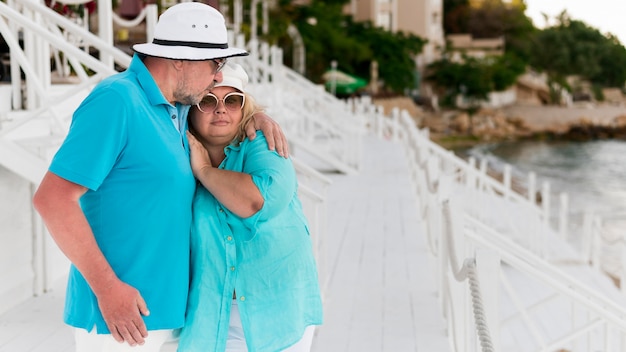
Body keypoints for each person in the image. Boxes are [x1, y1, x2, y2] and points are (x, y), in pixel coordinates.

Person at [32, 3, 288, 351]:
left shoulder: (178, 110)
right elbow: (52, 199)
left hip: (168, 316)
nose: (218, 76)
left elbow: (220, 121)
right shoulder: (117, 100)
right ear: (181, 59)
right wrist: (108, 289)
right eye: (216, 65)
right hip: (120, 320)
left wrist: (255, 119)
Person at [178, 63, 323, 352]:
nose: (221, 110)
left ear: (245, 108)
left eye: (232, 101)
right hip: (212, 311)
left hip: (278, 307)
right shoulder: (177, 154)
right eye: (207, 101)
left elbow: (258, 201)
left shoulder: (263, 145)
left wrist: (205, 171)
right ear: (189, 111)